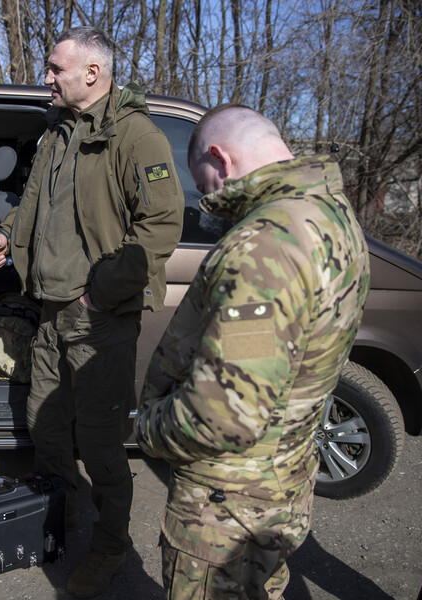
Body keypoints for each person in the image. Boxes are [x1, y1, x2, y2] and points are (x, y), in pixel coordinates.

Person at [135, 104, 370, 599]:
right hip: (282, 484)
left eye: (205, 188)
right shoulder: (333, 214)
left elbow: (225, 414)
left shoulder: (264, 245)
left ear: (220, 159)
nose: (208, 202)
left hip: (226, 508)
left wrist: (149, 429)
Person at [0, 26, 184, 598]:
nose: (45, 77)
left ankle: (109, 545)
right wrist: (4, 235)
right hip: (49, 310)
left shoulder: (134, 136)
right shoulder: (57, 135)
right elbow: (35, 207)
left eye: (55, 68)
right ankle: (60, 518)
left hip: (98, 318)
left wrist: (101, 292)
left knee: (99, 444)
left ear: (92, 73)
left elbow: (161, 226)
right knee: (46, 427)